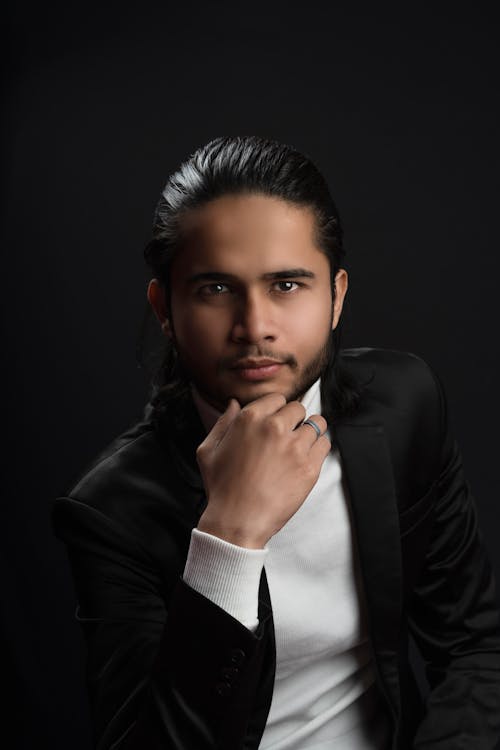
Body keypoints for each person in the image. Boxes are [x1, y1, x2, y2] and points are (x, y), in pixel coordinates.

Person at [52, 135, 500, 750]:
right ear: (165, 307)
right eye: (215, 288)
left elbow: (475, 646)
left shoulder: (405, 406)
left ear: (336, 296)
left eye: (287, 285)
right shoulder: (111, 510)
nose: (254, 326)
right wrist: (228, 537)